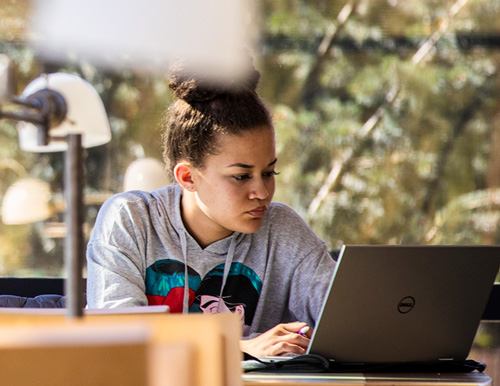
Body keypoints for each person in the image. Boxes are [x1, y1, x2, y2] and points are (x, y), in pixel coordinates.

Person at [86, 58, 336, 358]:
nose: (262, 192)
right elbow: (117, 339)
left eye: (269, 172)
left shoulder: (282, 230)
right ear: (188, 177)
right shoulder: (130, 219)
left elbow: (350, 321)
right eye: (241, 177)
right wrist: (237, 347)